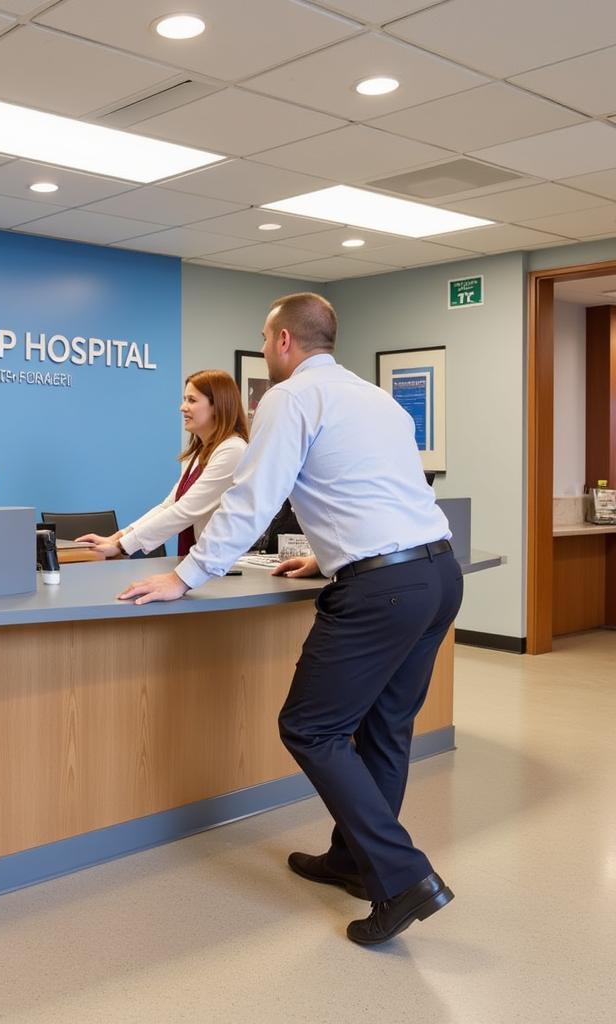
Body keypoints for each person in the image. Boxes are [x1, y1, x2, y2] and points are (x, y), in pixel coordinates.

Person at [118, 293, 462, 947]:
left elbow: (254, 498)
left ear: (281, 342)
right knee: (385, 730)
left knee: (311, 727)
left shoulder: (288, 397)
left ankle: (404, 876)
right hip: (437, 573)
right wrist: (333, 559)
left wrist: (184, 575)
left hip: (385, 586)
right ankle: (354, 863)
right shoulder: (374, 398)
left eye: (263, 334)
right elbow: (377, 491)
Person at [76, 370, 248, 558]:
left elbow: (186, 510)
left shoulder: (233, 450)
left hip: (224, 566)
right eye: (185, 399)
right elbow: (169, 506)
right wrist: (117, 537)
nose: (182, 407)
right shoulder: (200, 452)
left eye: (192, 400)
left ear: (217, 406)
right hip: (200, 562)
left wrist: (121, 546)